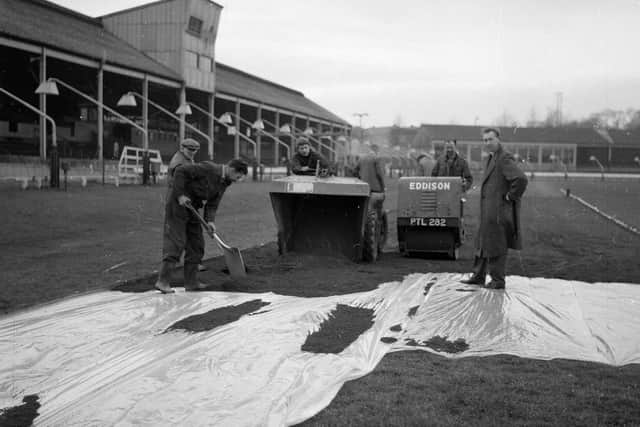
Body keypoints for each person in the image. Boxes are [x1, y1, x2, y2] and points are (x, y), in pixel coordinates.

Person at [154, 159, 249, 293]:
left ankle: (191, 282)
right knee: (177, 242)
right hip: (177, 206)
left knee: (197, 245)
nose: (237, 180)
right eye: (238, 177)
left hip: (192, 207)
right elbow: (180, 171)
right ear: (232, 170)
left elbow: (213, 203)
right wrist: (181, 195)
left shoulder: (225, 182)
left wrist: (210, 221)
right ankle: (162, 281)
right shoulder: (208, 168)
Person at [461, 128, 528, 290]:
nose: (487, 143)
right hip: (488, 211)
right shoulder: (492, 158)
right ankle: (478, 276)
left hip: (498, 212)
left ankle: (498, 280)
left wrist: (510, 197)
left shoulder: (504, 157)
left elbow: (520, 179)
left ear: (498, 139)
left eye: (490, 139)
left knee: (497, 244)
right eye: (484, 140)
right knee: (483, 242)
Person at [354, 144, 386, 216]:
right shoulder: (376, 158)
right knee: (377, 207)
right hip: (375, 190)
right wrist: (383, 187)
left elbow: (354, 170)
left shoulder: (361, 158)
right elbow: (379, 174)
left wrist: (359, 178)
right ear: (376, 150)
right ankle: (378, 219)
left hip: (363, 188)